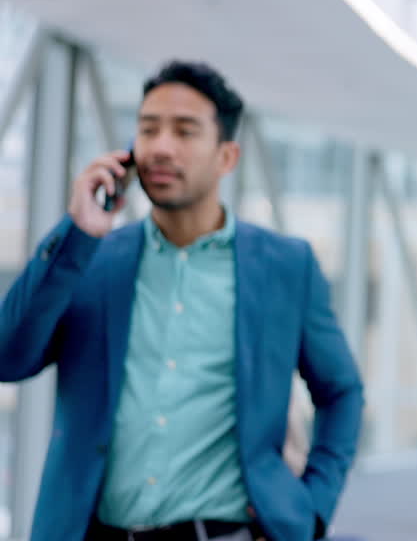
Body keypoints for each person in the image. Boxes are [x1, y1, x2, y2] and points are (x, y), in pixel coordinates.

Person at [0, 61, 364, 541]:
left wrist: (314, 506)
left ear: (226, 157)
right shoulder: (91, 259)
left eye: (184, 131)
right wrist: (77, 235)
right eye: (148, 129)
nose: (161, 147)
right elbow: (8, 357)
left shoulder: (285, 267)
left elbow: (341, 391)